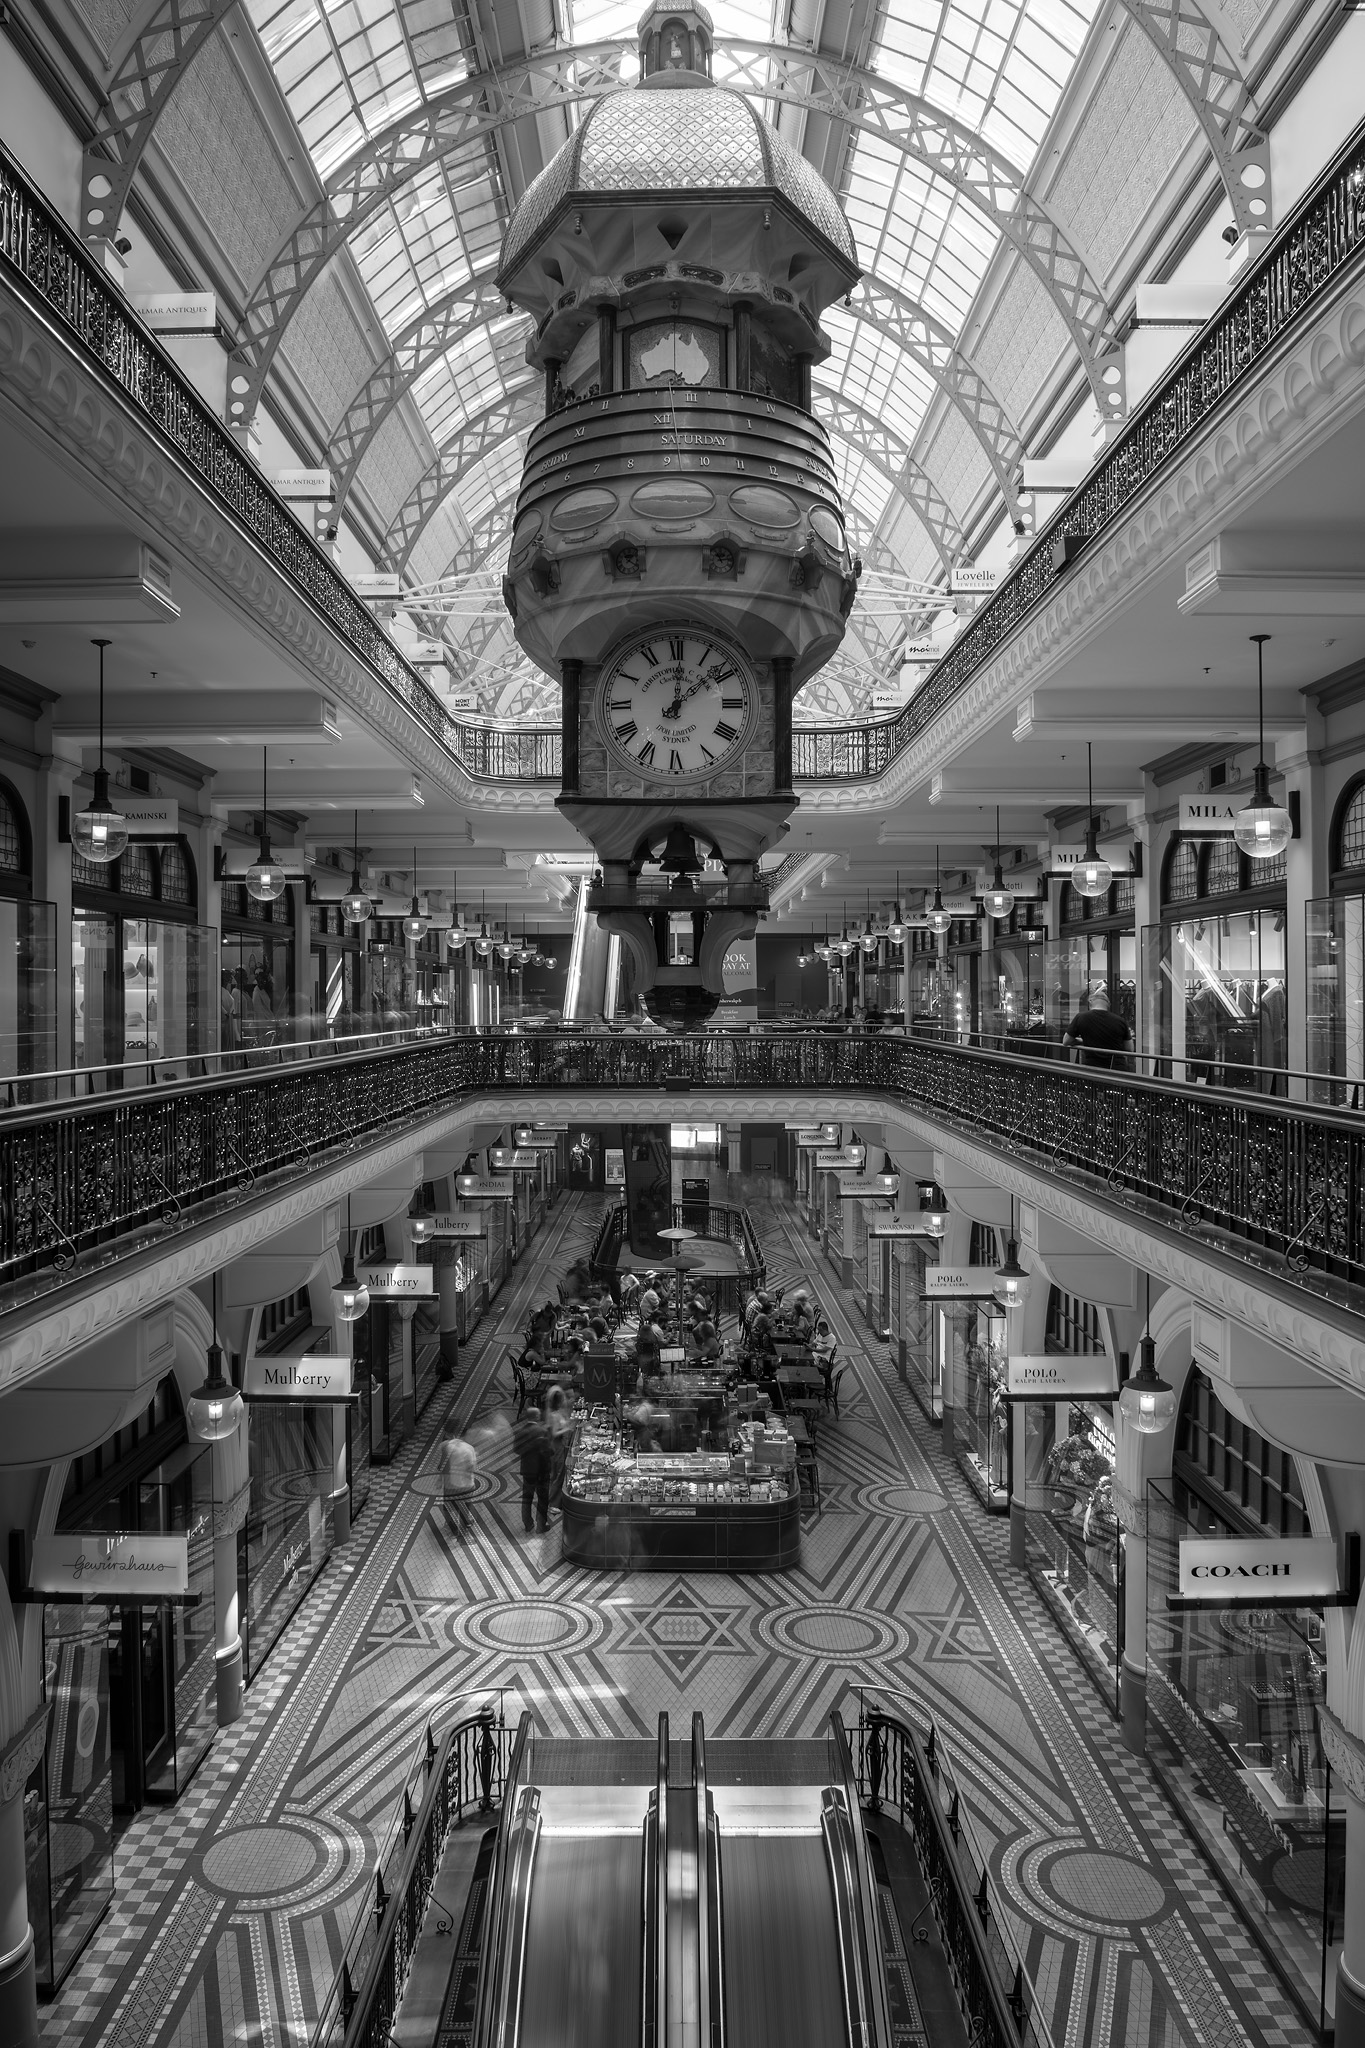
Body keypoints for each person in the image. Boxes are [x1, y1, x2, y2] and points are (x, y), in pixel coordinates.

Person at [1063, 988, 1133, 1070]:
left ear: (1090, 1003)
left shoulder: (1081, 1018)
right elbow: (1130, 1048)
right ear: (1108, 1004)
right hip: (1116, 1069)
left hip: (1092, 1068)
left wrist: (1082, 1041)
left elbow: (1066, 1041)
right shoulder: (1120, 1021)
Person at [512, 1404, 552, 1533]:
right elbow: (549, 1451)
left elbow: (516, 1449)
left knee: (527, 1498)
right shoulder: (542, 1431)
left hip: (527, 1471)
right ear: (536, 1416)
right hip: (542, 1470)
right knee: (543, 1498)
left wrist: (528, 1449)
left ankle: (528, 1524)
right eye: (539, 1415)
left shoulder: (521, 1431)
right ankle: (541, 1525)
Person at [440, 1424, 478, 1536]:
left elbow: (443, 1467)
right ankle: (466, 1523)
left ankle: (452, 1526)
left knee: (448, 1506)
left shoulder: (446, 1446)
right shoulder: (470, 1448)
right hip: (468, 1484)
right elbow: (472, 1468)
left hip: (452, 1483)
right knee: (466, 1504)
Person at [543, 1383, 574, 1510]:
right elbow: (555, 1433)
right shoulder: (554, 1416)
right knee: (558, 1473)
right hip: (556, 1446)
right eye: (562, 1399)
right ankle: (553, 1503)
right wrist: (567, 1428)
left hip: (559, 1445)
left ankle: (555, 1500)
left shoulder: (557, 1412)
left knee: (558, 1473)